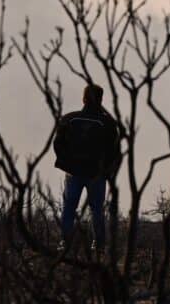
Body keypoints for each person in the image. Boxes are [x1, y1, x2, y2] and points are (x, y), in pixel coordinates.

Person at [54, 84, 121, 254]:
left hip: (73, 172)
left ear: (83, 98)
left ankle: (65, 243)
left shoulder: (69, 119)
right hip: (96, 174)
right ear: (101, 99)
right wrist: (106, 170)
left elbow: (57, 144)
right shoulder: (108, 123)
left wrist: (67, 163)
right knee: (97, 210)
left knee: (68, 208)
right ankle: (98, 246)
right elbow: (115, 151)